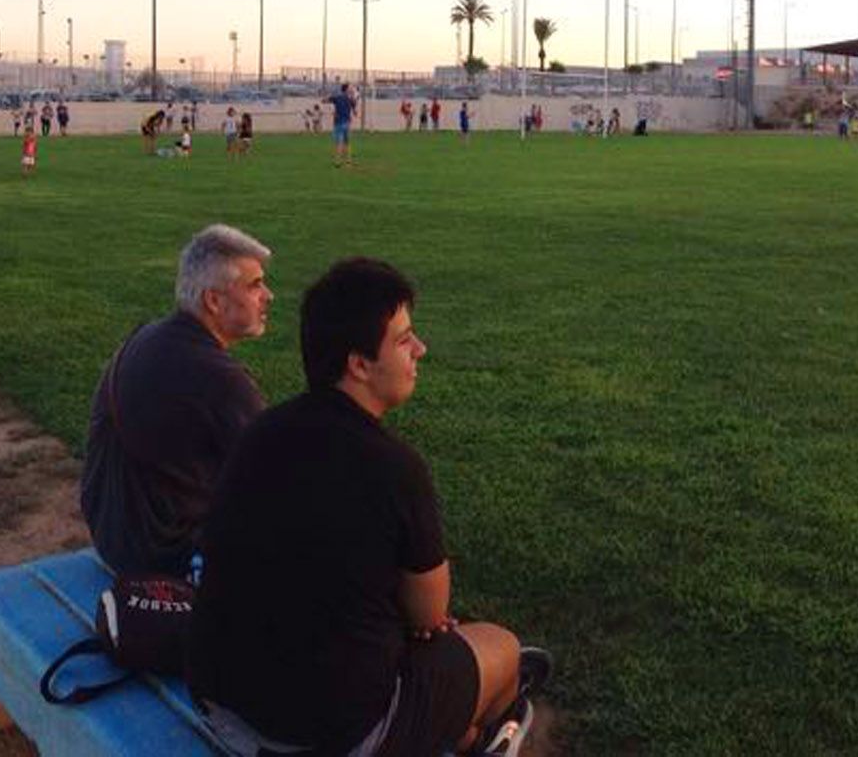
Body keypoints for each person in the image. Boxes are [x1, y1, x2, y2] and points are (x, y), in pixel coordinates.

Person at [189, 258, 533, 757]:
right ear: (358, 364)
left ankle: (453, 729)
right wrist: (417, 619)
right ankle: (473, 737)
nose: (420, 350)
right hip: (321, 737)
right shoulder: (395, 467)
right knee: (502, 649)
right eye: (403, 340)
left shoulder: (261, 431)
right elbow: (431, 612)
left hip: (218, 704)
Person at [78, 225, 274, 576]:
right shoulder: (219, 377)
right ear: (214, 300)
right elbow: (280, 474)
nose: (268, 296)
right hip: (164, 555)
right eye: (255, 285)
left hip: (112, 531)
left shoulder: (148, 337)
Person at [327, 82, 358, 166]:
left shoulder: (337, 97)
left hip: (339, 123)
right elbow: (355, 113)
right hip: (346, 123)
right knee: (346, 143)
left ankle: (338, 161)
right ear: (346, 89)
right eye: (350, 88)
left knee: (339, 143)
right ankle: (348, 160)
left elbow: (325, 100)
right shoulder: (350, 99)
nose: (351, 89)